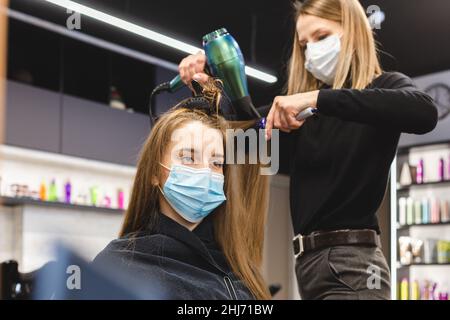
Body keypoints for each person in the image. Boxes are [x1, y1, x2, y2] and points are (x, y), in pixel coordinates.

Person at [177, 0, 438, 299]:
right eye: (304, 44)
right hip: (309, 265)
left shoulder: (382, 86)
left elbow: (424, 113)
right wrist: (208, 86)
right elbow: (239, 138)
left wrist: (317, 98)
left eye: (322, 36)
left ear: (353, 32)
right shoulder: (300, 115)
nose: (312, 49)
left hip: (354, 266)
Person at [93, 79, 271, 300]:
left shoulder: (238, 265)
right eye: (188, 158)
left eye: (216, 163)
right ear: (154, 173)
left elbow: (258, 150)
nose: (206, 172)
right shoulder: (119, 265)